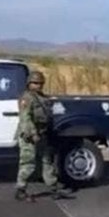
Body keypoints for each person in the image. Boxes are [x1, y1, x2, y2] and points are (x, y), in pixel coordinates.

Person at [15, 71, 71, 202]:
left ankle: (54, 189)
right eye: (35, 83)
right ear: (29, 84)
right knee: (28, 163)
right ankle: (20, 190)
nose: (38, 85)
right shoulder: (27, 98)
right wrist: (33, 133)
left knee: (47, 161)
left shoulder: (43, 98)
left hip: (42, 134)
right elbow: (25, 118)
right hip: (29, 136)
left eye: (40, 83)